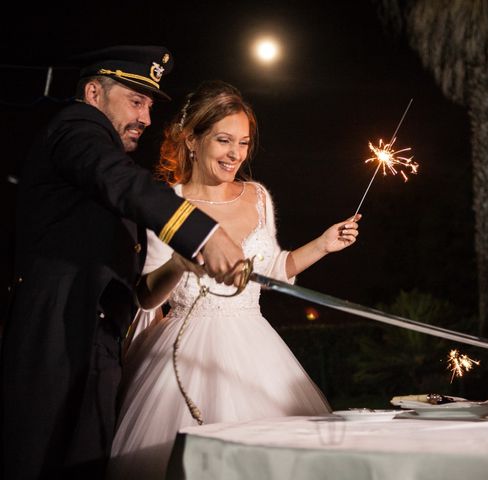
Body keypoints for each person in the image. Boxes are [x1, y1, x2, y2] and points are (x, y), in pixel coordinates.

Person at [0, 46, 246, 480]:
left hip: (93, 335)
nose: (146, 119)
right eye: (136, 101)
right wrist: (204, 234)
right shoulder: (77, 130)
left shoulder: (94, 149)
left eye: (149, 105)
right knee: (39, 459)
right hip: (57, 333)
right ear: (94, 92)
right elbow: (119, 182)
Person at [107, 80, 361, 479]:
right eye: (224, 140)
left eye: (243, 143)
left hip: (256, 346)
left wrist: (324, 244)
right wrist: (179, 265)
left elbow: (274, 269)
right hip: (185, 356)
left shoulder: (257, 196)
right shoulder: (165, 206)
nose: (235, 155)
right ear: (192, 139)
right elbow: (145, 298)